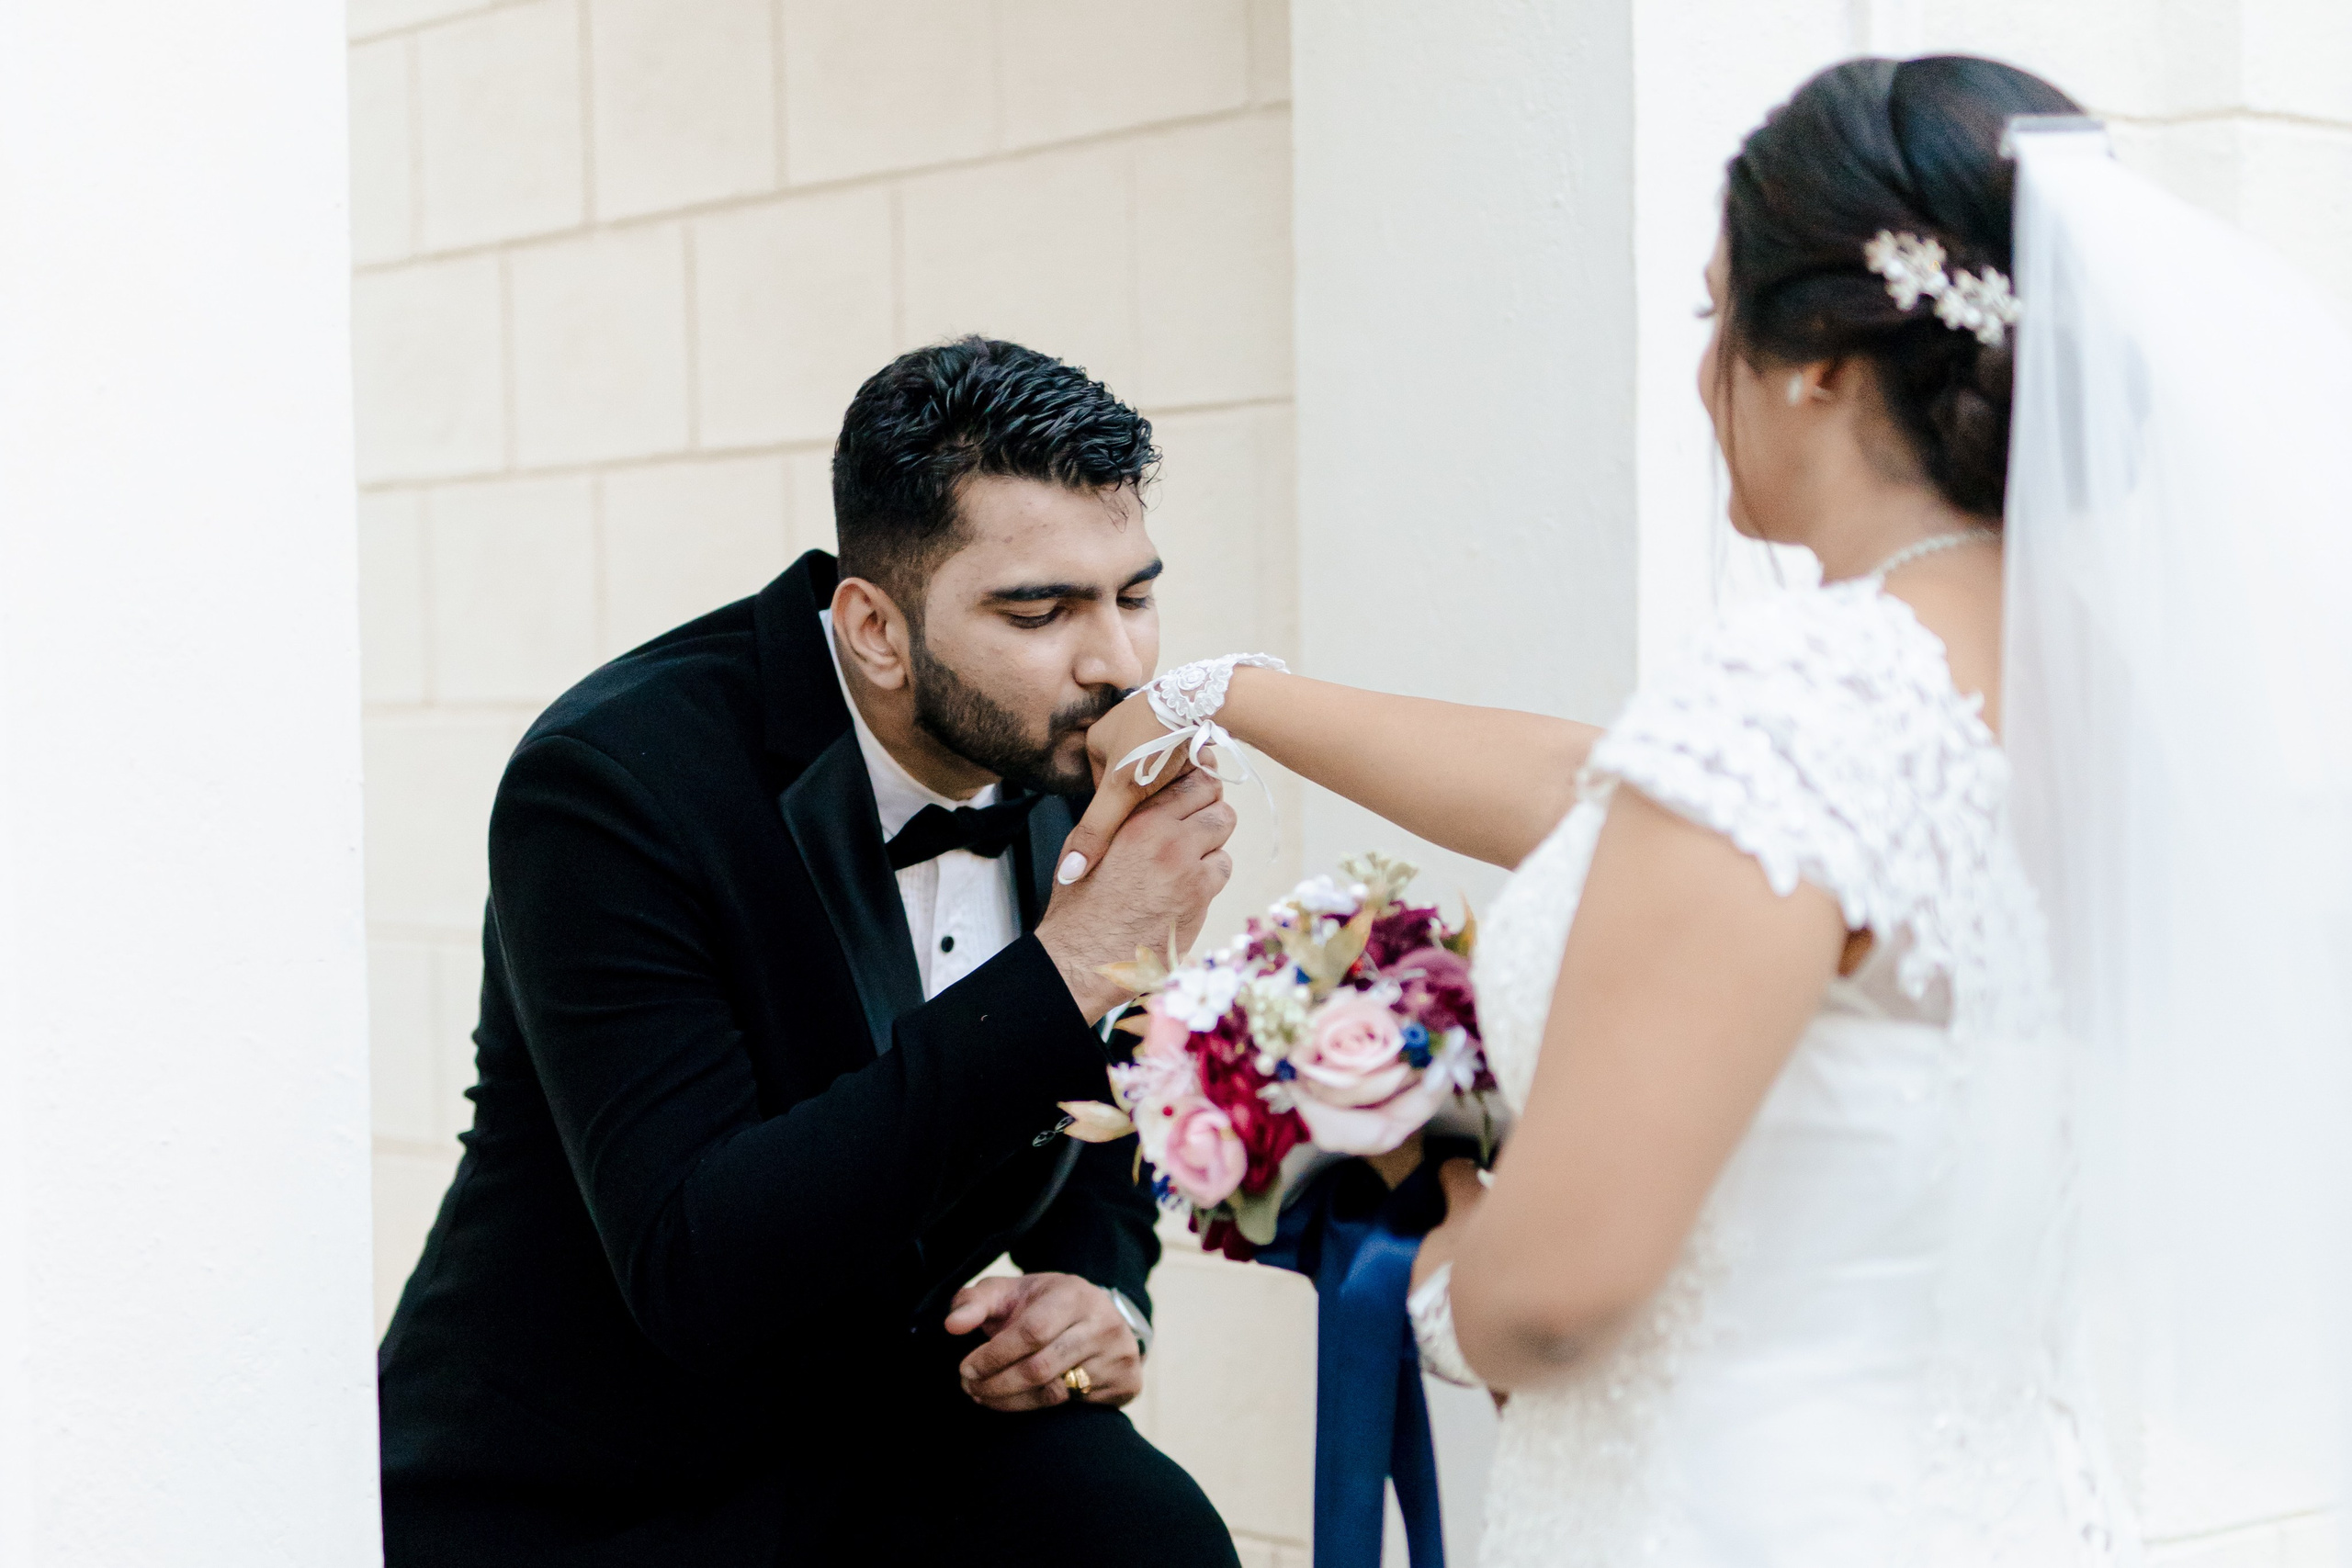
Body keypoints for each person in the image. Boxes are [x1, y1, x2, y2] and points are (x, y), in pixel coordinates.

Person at [1068, 57, 2150, 1563]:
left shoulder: (1802, 693)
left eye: (1719, 317)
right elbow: (1593, 794)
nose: (1706, 374)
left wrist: (1426, 1222)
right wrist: (1220, 692)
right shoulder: (2088, 698)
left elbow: (1556, 1302)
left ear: (1821, 359)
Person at [376, 337, 1244, 1567]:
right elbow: (699, 1267)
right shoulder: (613, 785)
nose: (1117, 663)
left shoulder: (1067, 748)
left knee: (1148, 1536)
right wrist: (1073, 961)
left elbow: (1095, 1093)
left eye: (1135, 594)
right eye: (1042, 610)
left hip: (877, 1411)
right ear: (875, 629)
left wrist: (1100, 1293)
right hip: (586, 1474)